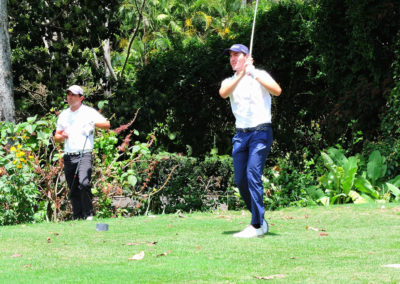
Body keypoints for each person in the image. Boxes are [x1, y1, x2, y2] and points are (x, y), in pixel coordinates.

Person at [219, 44, 282, 238]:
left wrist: (253, 72)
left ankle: (256, 225)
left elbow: (277, 91)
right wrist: (241, 74)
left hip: (260, 131)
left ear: (247, 57)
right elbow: (223, 93)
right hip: (241, 135)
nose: (232, 58)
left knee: (253, 174)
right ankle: (260, 220)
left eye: (237, 55)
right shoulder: (229, 81)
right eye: (231, 56)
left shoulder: (259, 74)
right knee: (240, 179)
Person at [54, 85, 110, 220]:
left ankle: (88, 214)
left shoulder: (88, 112)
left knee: (84, 183)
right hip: (69, 155)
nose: (70, 97)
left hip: (84, 153)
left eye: (73, 95)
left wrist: (93, 123)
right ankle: (77, 217)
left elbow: (107, 125)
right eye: (68, 94)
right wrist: (62, 137)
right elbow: (57, 137)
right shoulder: (63, 115)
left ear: (81, 98)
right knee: (73, 188)